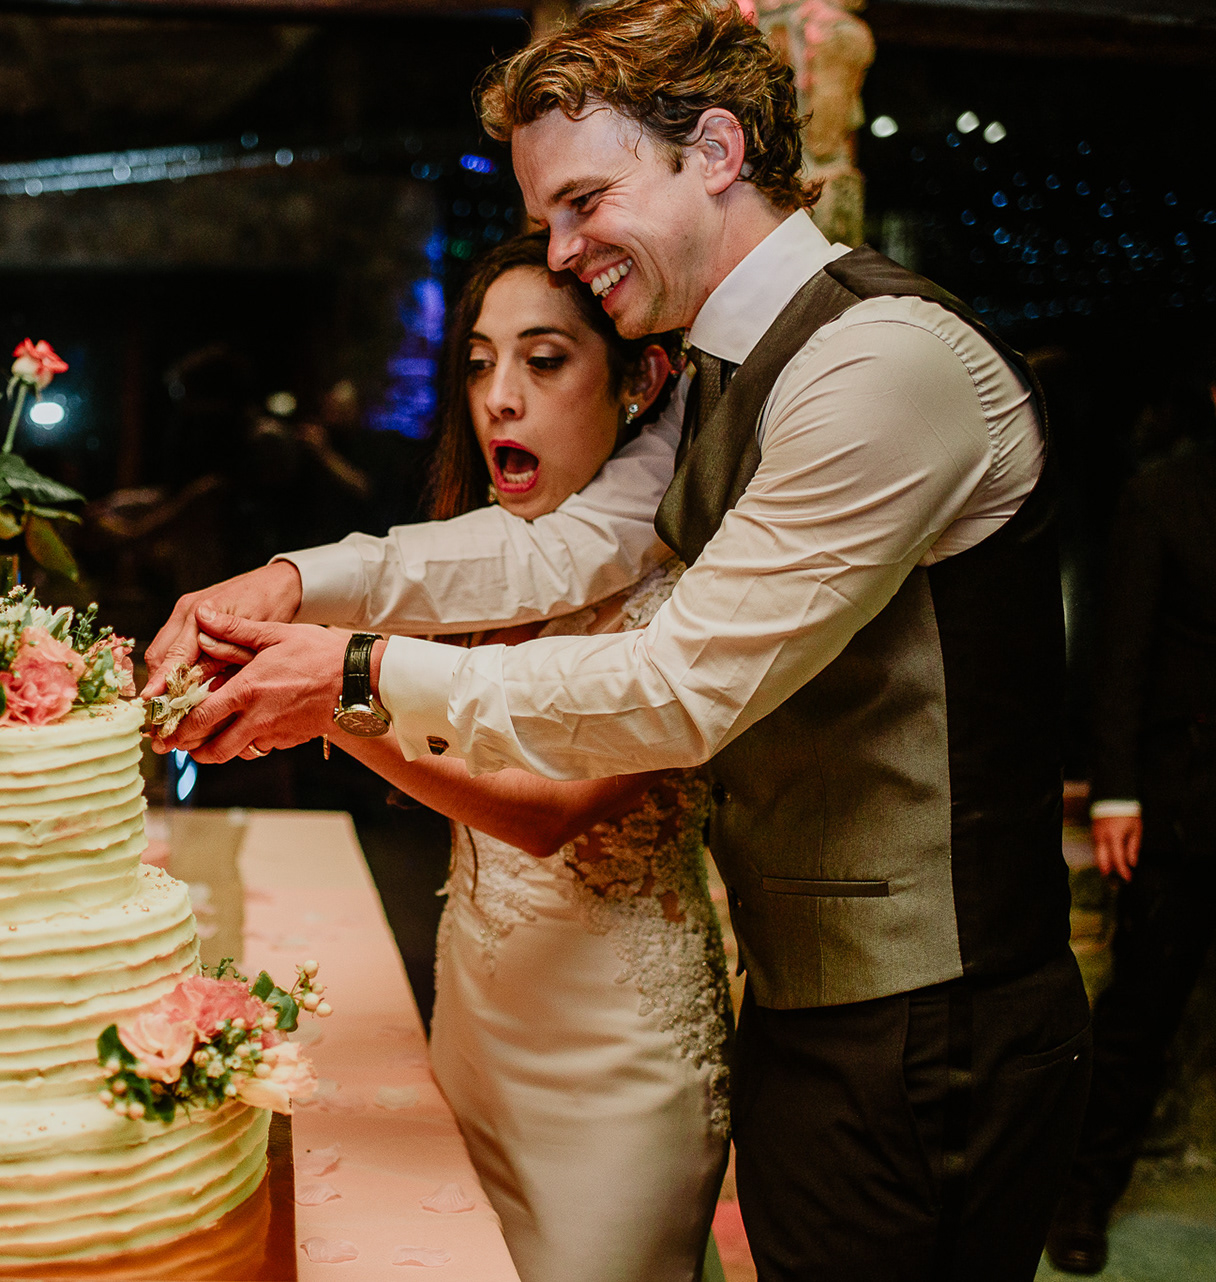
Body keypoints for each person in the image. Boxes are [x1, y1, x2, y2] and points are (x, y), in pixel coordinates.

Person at [144, 3, 1089, 1278]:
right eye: (547, 217)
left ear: (715, 152)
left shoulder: (881, 364)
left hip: (937, 1019)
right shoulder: (717, 374)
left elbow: (679, 685)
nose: (563, 248)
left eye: (585, 202)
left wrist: (356, 673)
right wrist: (293, 582)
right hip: (806, 1002)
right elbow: (551, 550)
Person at [324, 230, 729, 1282]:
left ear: (643, 381)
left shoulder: (686, 594)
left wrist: (332, 696)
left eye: (543, 361)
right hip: (474, 1019)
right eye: (478, 363)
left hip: (614, 1065)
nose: (499, 398)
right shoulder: (481, 568)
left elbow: (545, 812)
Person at [1046, 374, 1216, 1275]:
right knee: (1139, 1018)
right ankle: (1083, 1193)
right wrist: (1116, 792)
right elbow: (1122, 652)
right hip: (1182, 803)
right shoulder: (1164, 495)